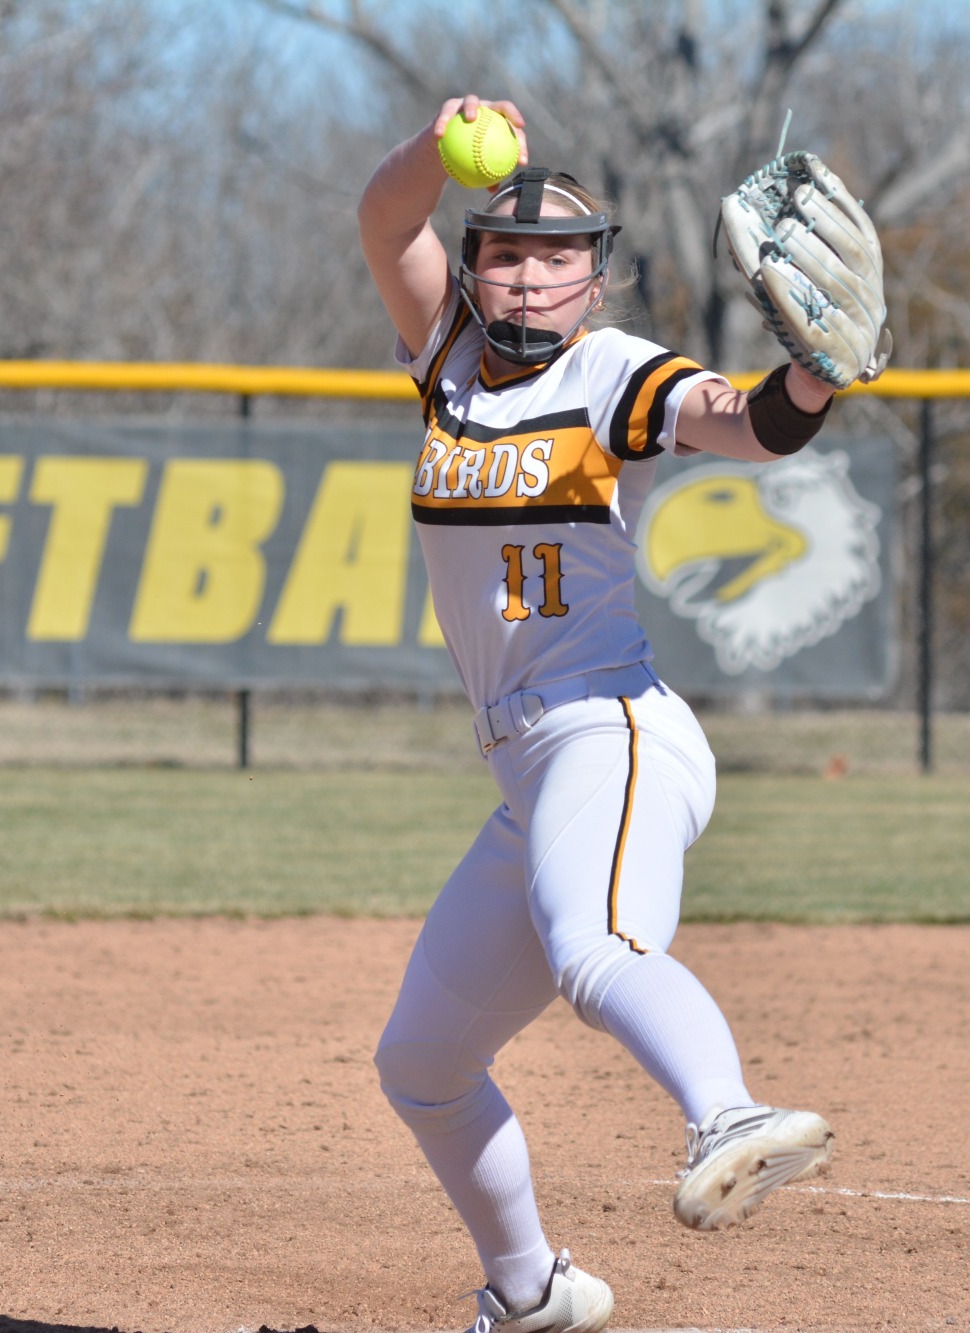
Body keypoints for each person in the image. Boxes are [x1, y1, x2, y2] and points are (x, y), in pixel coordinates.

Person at [359, 95, 842, 1333]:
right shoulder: (445, 365)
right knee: (419, 1065)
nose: (527, 276)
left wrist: (811, 378)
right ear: (473, 271)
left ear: (596, 279)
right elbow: (382, 213)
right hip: (524, 767)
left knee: (593, 945)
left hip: (612, 729)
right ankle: (530, 1295)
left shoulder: (610, 372)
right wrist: (438, 135)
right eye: (505, 254)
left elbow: (742, 426)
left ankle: (725, 1111)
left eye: (557, 257)